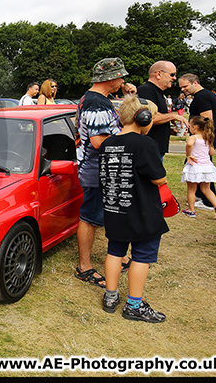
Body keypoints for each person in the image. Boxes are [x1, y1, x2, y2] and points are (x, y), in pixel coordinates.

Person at [99, 95, 168, 323]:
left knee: (115, 251)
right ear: (143, 117)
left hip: (114, 209)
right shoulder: (145, 144)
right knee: (142, 256)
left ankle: (110, 297)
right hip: (142, 211)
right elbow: (159, 179)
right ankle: (134, 306)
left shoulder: (107, 143)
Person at [74, 57, 131, 288]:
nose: (123, 80)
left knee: (102, 214)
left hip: (100, 169)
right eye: (121, 76)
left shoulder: (97, 99)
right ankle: (84, 267)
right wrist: (129, 137)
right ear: (110, 77)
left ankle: (118, 255)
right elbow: (98, 141)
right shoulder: (96, 103)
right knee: (90, 218)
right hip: (97, 170)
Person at [178, 73, 216, 209]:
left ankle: (207, 200)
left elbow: (207, 120)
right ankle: (199, 195)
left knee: (199, 165)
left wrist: (199, 137)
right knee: (195, 164)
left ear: (195, 83)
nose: (183, 90)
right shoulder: (207, 95)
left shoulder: (202, 97)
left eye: (185, 86)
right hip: (207, 136)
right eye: (181, 87)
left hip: (205, 137)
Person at [136, 61, 189, 158]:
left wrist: (170, 130)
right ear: (158, 74)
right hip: (148, 149)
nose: (174, 78)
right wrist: (174, 116)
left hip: (156, 148)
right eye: (172, 74)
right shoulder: (146, 90)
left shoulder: (158, 92)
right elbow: (149, 117)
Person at [181, 116, 216, 220]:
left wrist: (189, 155)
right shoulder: (208, 138)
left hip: (195, 167)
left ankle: (191, 210)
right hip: (207, 167)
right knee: (207, 189)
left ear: (195, 127)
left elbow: (189, 144)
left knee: (191, 190)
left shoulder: (193, 137)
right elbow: (212, 152)